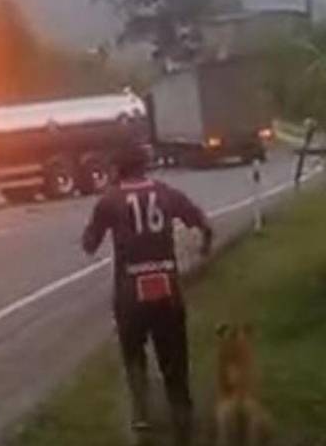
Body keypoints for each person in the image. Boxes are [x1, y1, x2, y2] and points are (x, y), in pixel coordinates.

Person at [81, 144, 213, 444]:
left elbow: (90, 244)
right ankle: (183, 422)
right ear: (145, 165)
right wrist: (204, 248)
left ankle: (142, 421)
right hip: (167, 286)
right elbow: (201, 222)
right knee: (175, 359)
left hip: (130, 293)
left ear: (117, 169)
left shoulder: (110, 200)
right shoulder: (167, 193)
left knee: (134, 357)